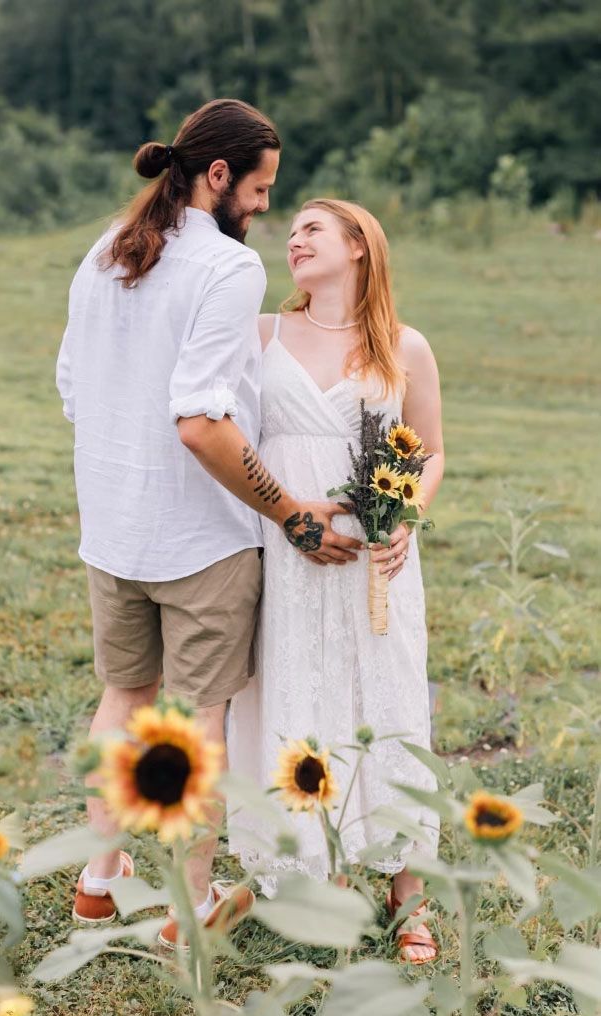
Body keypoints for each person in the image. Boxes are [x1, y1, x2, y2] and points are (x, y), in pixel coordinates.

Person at [55, 102, 360, 949]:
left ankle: (96, 884)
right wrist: (291, 511)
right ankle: (186, 914)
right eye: (260, 188)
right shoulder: (227, 269)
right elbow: (201, 421)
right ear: (216, 176)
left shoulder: (101, 253)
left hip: (112, 527)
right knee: (199, 721)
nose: (265, 206)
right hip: (201, 539)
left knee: (123, 699)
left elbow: (71, 386)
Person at [228, 198, 444, 964]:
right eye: (289, 232)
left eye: (312, 229)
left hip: (373, 556)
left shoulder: (402, 346)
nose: (293, 240)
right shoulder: (260, 333)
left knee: (382, 697)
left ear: (358, 246)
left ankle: (408, 895)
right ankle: (310, 874)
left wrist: (406, 520)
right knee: (294, 687)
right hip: (284, 545)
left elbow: (429, 454)